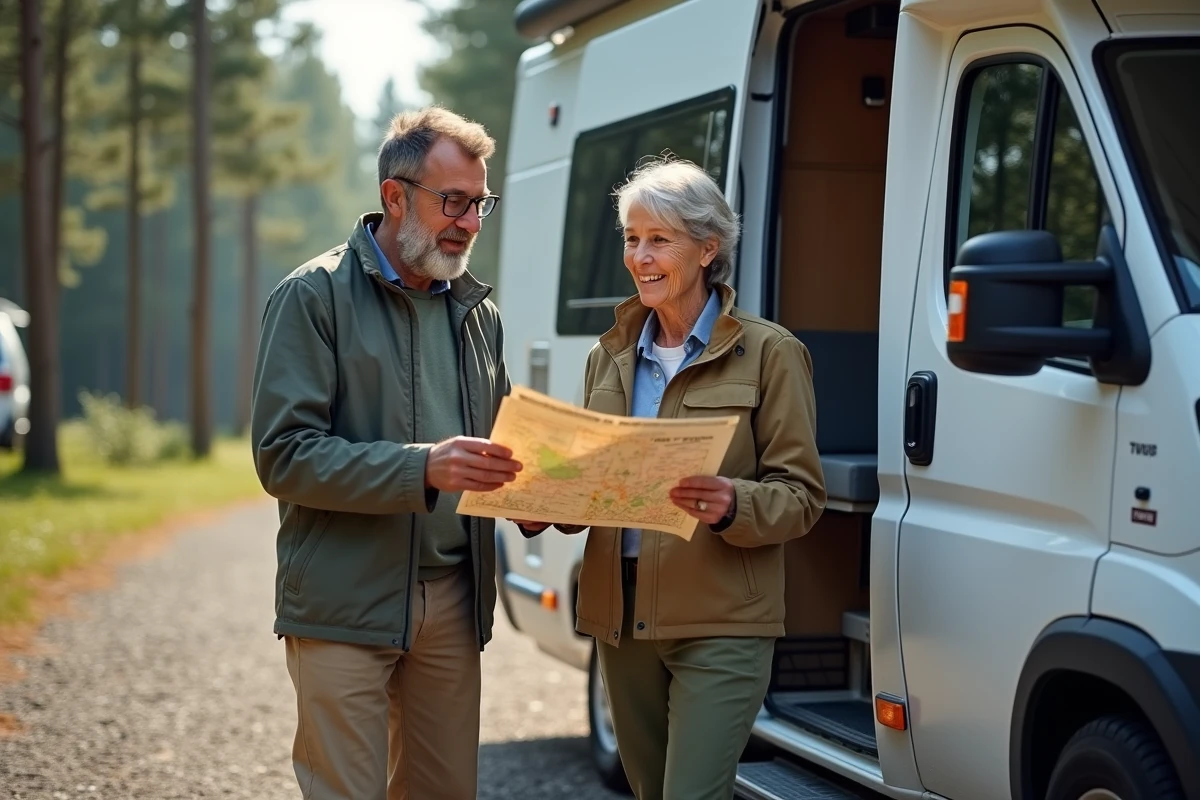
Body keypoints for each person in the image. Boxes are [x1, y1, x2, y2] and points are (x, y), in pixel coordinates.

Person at [515, 156, 827, 800]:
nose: (640, 256)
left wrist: (731, 502)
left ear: (708, 248)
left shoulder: (771, 353)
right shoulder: (609, 355)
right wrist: (550, 503)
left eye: (660, 239)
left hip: (721, 622)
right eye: (632, 238)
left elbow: (801, 499)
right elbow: (596, 485)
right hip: (620, 619)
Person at [251, 106, 521, 800]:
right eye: (452, 201)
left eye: (479, 204)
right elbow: (283, 455)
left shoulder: (478, 312)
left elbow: (506, 444)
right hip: (345, 603)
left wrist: (550, 499)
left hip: (454, 606)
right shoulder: (312, 295)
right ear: (394, 195)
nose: (467, 221)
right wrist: (420, 468)